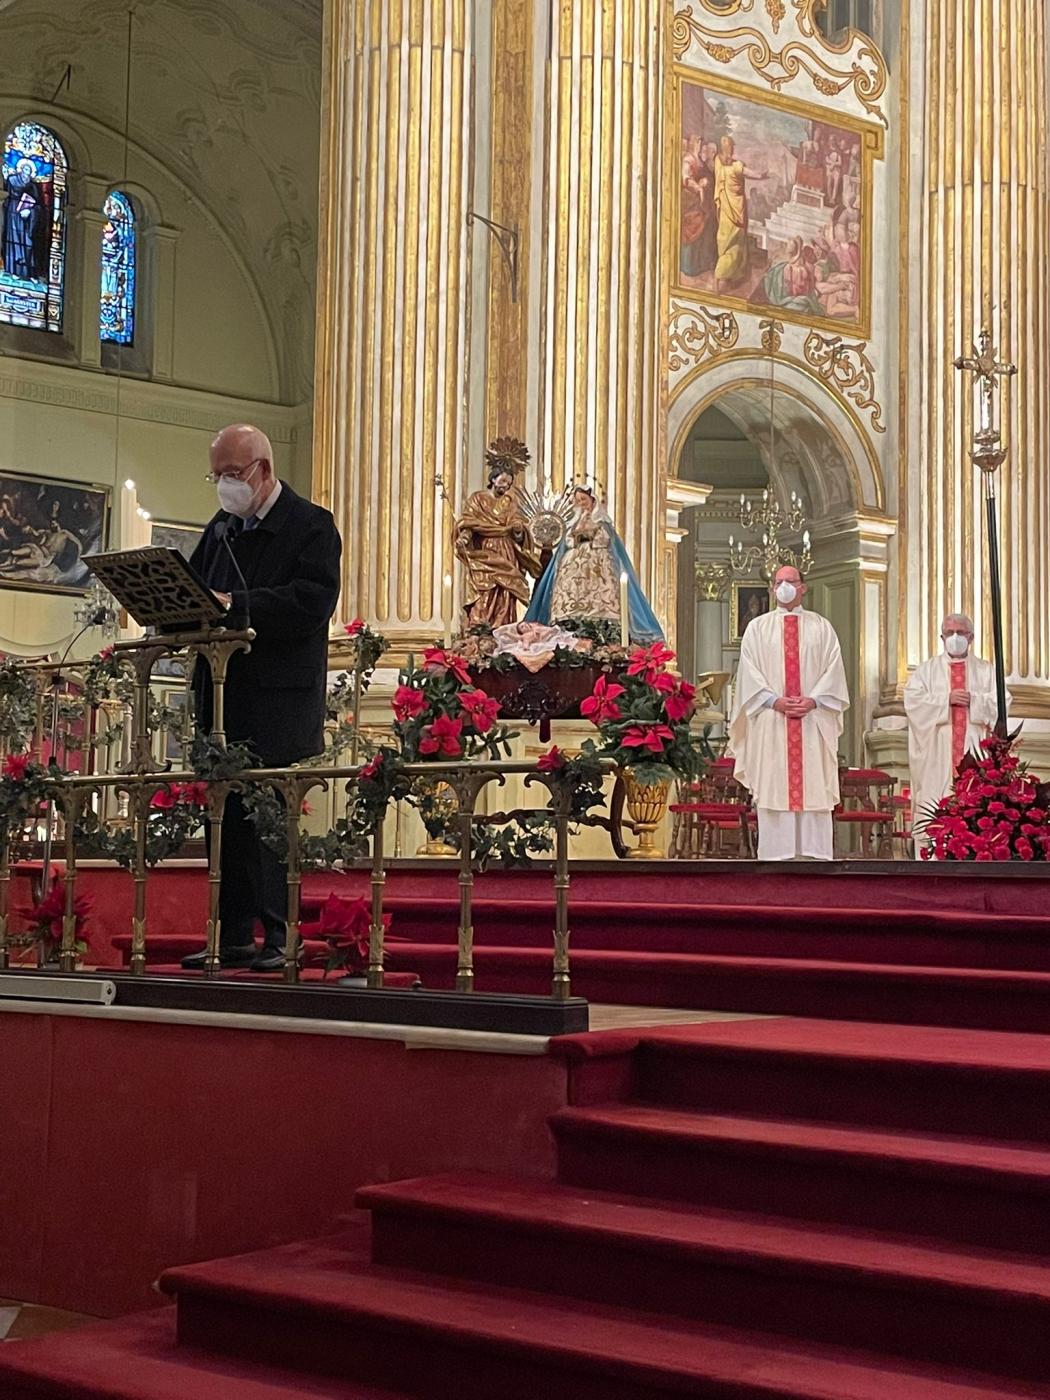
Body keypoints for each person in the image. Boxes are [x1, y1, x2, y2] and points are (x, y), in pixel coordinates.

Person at [181, 424, 342, 973]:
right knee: (224, 822)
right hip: (223, 699)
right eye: (217, 475)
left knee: (268, 822)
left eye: (233, 475)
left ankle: (279, 935)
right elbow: (198, 588)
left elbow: (310, 601)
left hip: (276, 699)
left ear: (264, 470)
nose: (225, 486)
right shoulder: (222, 528)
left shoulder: (311, 525)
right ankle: (228, 936)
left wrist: (235, 604)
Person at [729, 564, 849, 860]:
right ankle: (775, 856)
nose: (783, 586)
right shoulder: (758, 628)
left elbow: (834, 672)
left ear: (802, 587)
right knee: (775, 786)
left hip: (812, 720)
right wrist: (773, 701)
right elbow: (749, 674)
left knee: (813, 786)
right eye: (778, 581)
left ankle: (815, 856)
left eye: (790, 581)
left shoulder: (821, 627)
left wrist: (814, 700)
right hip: (772, 720)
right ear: (772, 588)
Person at [904, 613, 1003, 855]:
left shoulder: (987, 671)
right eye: (950, 633)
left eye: (961, 632)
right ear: (942, 637)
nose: (955, 637)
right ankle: (930, 862)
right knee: (934, 804)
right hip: (937, 752)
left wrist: (976, 702)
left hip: (974, 746)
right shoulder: (925, 671)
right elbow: (913, 703)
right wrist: (944, 700)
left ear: (971, 637)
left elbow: (1002, 704)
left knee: (974, 805)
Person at [524, 485, 663, 642]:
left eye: (584, 499)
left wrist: (589, 537)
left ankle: (602, 625)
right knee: (569, 591)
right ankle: (568, 622)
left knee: (602, 590)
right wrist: (578, 537)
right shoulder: (574, 523)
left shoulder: (601, 522)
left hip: (598, 562)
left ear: (593, 499)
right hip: (573, 565)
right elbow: (568, 541)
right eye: (578, 501)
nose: (582, 503)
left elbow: (604, 540)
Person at [454, 463, 541, 629]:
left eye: (509, 483)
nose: (505, 486)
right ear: (493, 479)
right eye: (503, 481)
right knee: (484, 591)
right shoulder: (477, 499)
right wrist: (464, 539)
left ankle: (503, 628)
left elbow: (518, 524)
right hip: (485, 551)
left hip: (506, 550)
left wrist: (518, 530)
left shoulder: (509, 502)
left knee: (506, 592)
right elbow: (469, 523)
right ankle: (481, 629)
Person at [713, 136, 768, 293]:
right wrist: (762, 175)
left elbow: (722, 163)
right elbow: (751, 174)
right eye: (730, 147)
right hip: (735, 210)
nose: (731, 150)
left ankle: (727, 276)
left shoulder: (720, 164)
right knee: (734, 242)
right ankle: (724, 274)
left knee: (725, 240)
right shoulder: (735, 167)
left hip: (726, 209)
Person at [2, 157, 48, 282]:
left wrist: (30, 211)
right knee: (13, 242)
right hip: (12, 215)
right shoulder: (11, 180)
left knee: (28, 243)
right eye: (25, 168)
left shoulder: (32, 187)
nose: (27, 171)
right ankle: (13, 271)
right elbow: (5, 196)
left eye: (29, 169)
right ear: (20, 169)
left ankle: (30, 273)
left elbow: (38, 204)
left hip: (27, 219)